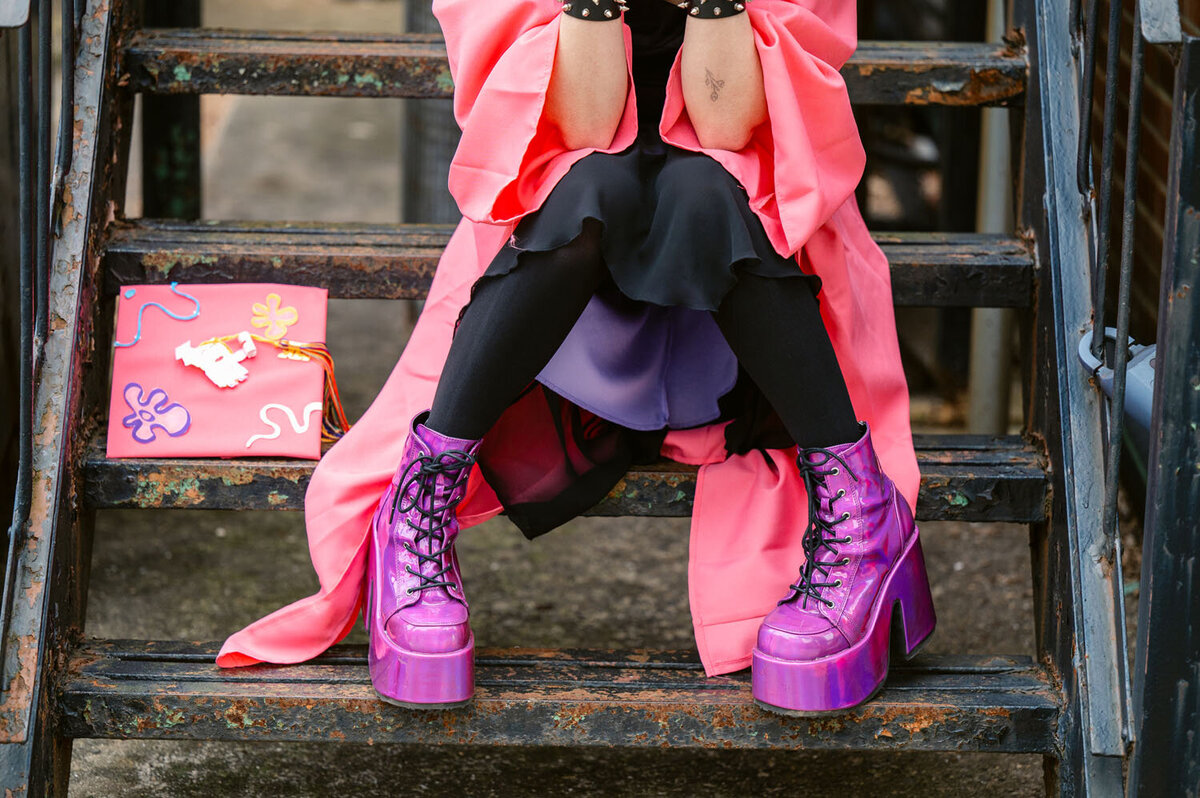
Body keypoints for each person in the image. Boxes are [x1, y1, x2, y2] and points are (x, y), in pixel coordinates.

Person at [218, 0, 936, 717]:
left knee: (702, 190)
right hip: (566, 299)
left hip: (740, 273)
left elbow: (731, 128)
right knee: (593, 182)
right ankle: (419, 505)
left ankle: (862, 517)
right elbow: (581, 128)